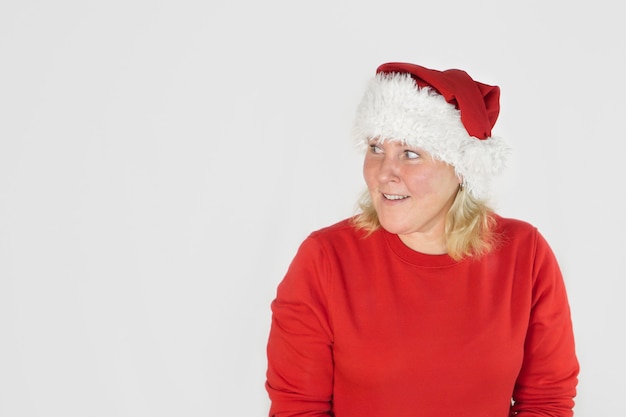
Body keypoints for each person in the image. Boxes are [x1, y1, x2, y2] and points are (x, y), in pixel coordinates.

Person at [264, 62, 579, 417]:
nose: (384, 173)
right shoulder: (325, 260)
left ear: (462, 168)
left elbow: (547, 400)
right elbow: (297, 408)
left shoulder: (525, 254)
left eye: (410, 154)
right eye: (376, 148)